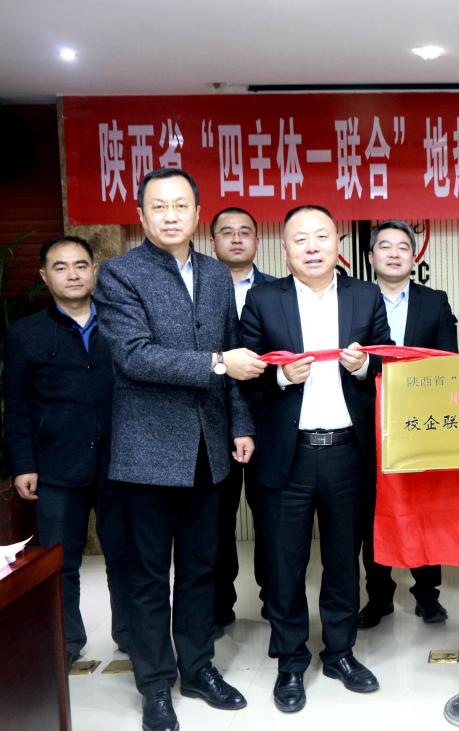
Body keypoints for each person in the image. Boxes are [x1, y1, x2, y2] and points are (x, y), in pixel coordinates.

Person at [95, 167, 266, 731]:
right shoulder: (119, 274)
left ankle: (197, 669)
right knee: (148, 575)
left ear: (197, 213)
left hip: (208, 450)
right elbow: (134, 356)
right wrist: (216, 364)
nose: (170, 216)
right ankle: (154, 685)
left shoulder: (215, 274)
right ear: (141, 216)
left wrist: (241, 424)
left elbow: (232, 350)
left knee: (200, 569)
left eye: (180, 206)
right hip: (147, 452)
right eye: (158, 206)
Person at [239, 204, 392, 714]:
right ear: (285, 249)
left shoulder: (364, 295)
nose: (311, 246)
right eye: (299, 238)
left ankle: (340, 653)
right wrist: (281, 377)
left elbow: (387, 358)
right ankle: (290, 660)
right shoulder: (264, 299)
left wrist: (365, 365)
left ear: (337, 243)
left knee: (344, 560)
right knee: (285, 565)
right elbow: (245, 373)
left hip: (348, 452)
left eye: (321, 236)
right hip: (288, 454)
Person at [3, 235, 131, 666]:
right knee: (62, 561)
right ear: (45, 276)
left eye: (80, 265)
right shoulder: (25, 334)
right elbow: (17, 406)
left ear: (94, 270)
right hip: (56, 466)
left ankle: (131, 637)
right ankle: (67, 644)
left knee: (125, 558)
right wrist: (23, 464)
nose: (72, 274)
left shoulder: (120, 325)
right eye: (60, 267)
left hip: (120, 464)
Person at [357, 220, 458, 629]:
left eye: (403, 246)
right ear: (371, 256)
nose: (395, 253)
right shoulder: (355, 300)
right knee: (373, 508)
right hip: (366, 417)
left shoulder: (435, 302)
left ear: (414, 257)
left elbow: (448, 361)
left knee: (423, 508)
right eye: (385, 246)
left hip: (421, 420)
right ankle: (378, 595)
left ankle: (427, 595)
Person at [209, 206, 276, 631]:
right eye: (227, 232)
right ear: (212, 241)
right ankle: (220, 604)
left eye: (245, 232)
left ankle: (275, 599)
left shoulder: (278, 291)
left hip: (269, 421)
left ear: (257, 241)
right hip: (212, 423)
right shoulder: (198, 290)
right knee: (216, 519)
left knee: (271, 517)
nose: (236, 239)